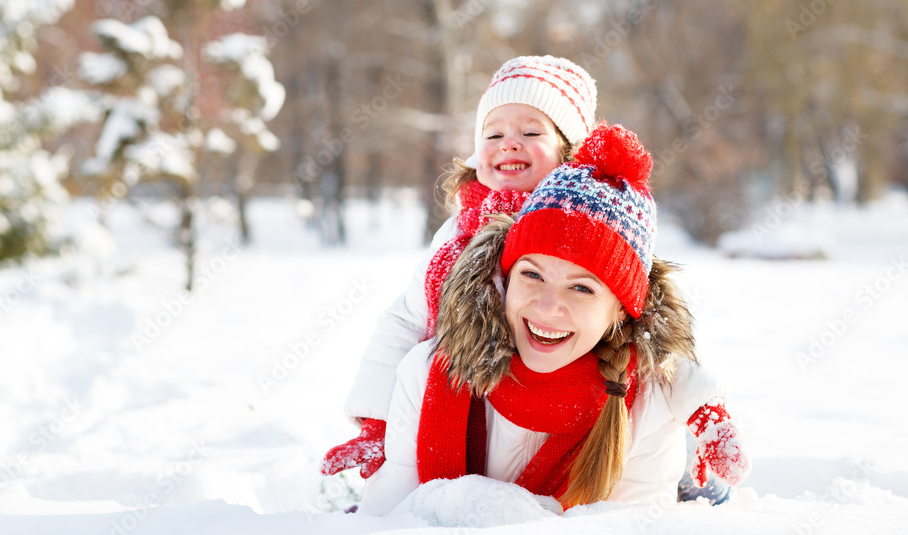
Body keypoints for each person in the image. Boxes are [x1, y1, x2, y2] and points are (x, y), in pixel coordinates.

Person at [356, 123, 751, 514]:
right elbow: (390, 518)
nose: (546, 308)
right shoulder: (426, 376)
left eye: (581, 288)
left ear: (622, 309)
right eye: (532, 275)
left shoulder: (647, 407)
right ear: (505, 277)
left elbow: (631, 523)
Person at [321, 54, 598, 479]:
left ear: (568, 150)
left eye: (530, 131)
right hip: (455, 412)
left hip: (553, 417)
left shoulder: (587, 226)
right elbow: (404, 322)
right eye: (493, 133)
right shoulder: (457, 233)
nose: (509, 143)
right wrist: (379, 422)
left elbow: (638, 322)